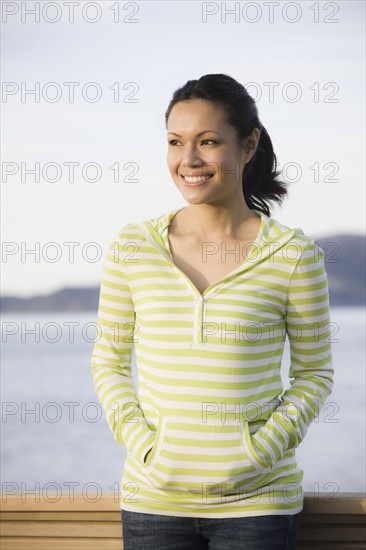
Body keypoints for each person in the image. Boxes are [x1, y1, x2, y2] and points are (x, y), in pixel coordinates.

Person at [90, 74, 334, 549]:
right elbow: (108, 362)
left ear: (248, 145)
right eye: (176, 143)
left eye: (208, 141)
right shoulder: (132, 247)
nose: (189, 160)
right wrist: (145, 447)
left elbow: (314, 374)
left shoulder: (294, 255)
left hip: (258, 505)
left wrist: (257, 453)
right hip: (153, 502)